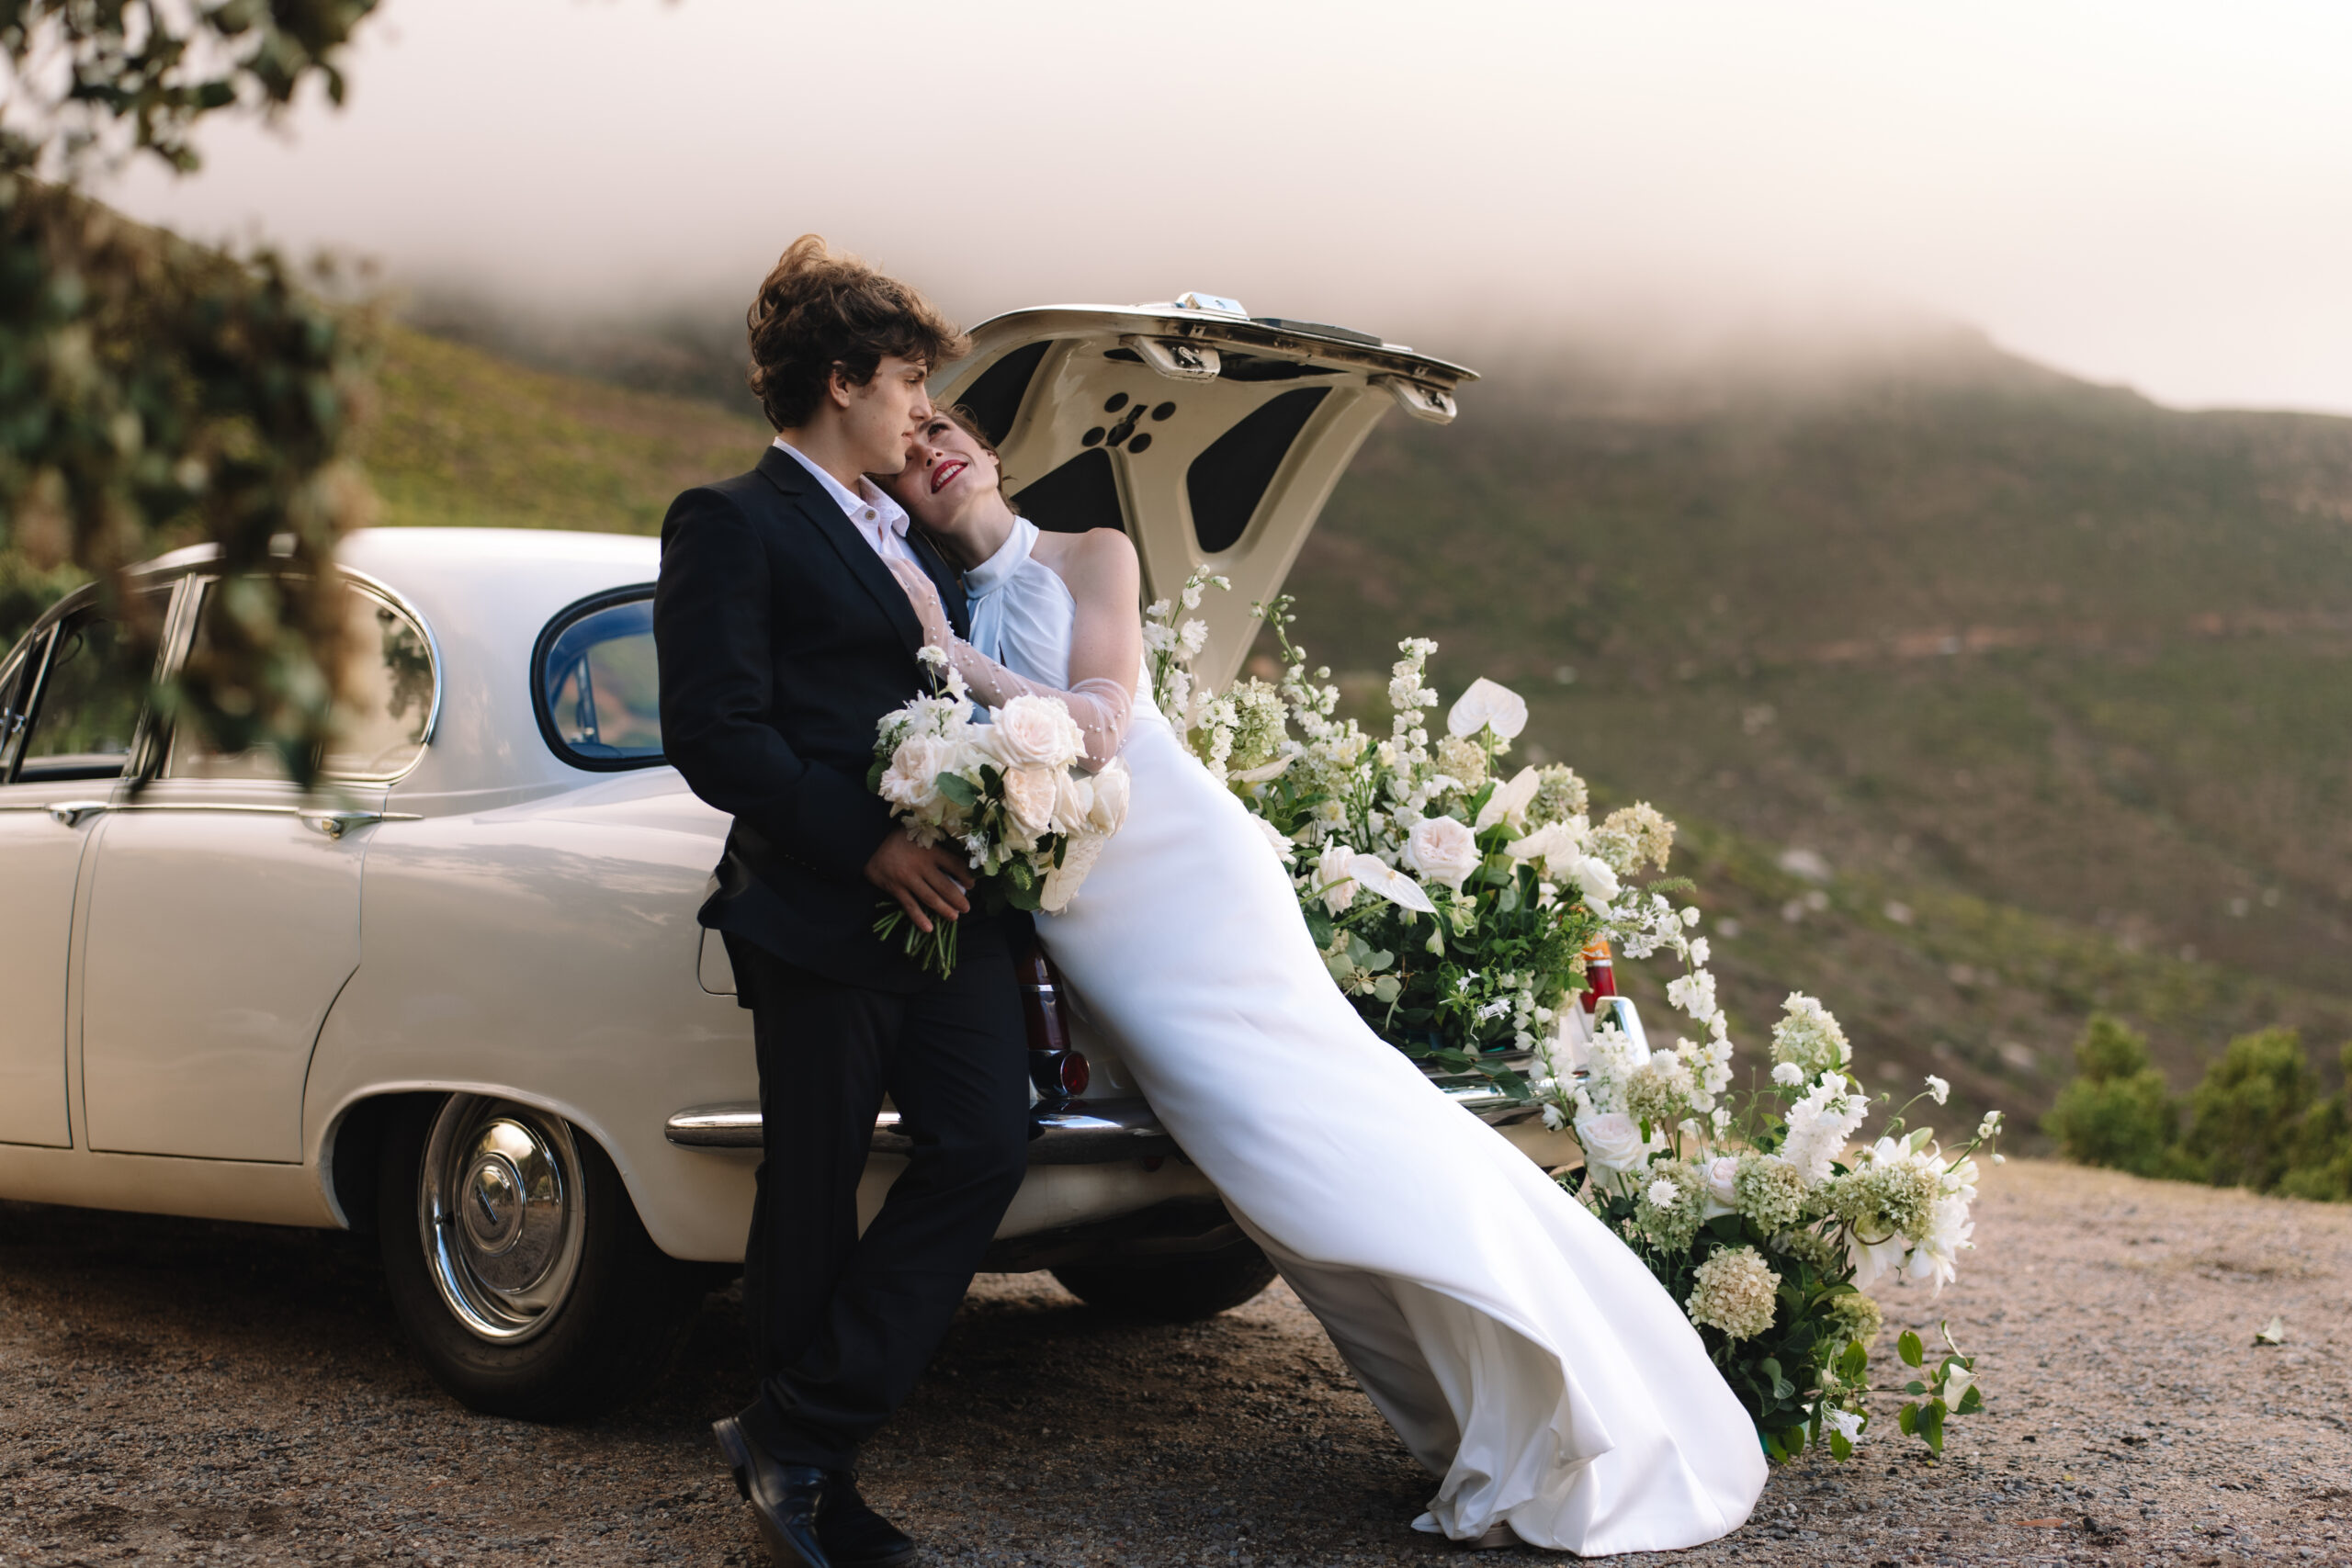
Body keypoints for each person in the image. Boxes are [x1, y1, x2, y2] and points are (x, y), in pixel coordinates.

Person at [872, 407, 1769, 1555]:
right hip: (1105, 934)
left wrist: (944, 657)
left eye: (943, 426)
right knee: (1274, 1187)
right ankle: (1481, 1414)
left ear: (989, 447)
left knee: (1326, 1139)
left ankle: (1576, 1390)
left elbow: (1096, 729)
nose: (929, 450)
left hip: (1193, 881)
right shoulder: (926, 597)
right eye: (903, 452)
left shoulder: (1089, 551)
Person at [655, 238, 1032, 1568]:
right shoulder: (732, 518)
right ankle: (814, 1474)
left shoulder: (900, 528)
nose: (922, 409)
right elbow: (716, 732)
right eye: (906, 381)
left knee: (988, 1141)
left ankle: (794, 1425)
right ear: (837, 381)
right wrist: (868, 847)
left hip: (952, 909)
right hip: (821, 905)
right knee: (812, 1186)